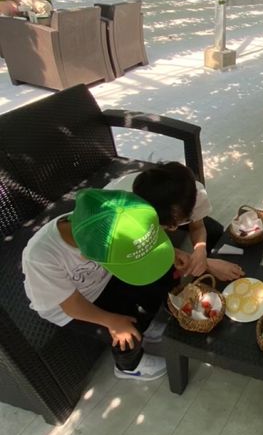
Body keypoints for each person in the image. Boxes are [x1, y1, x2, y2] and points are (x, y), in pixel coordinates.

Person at [22, 188, 177, 381]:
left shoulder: (100, 221)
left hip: (101, 279)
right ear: (86, 255)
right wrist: (112, 321)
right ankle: (129, 365)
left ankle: (144, 327)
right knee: (125, 331)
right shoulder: (40, 257)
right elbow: (72, 305)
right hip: (69, 305)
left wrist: (173, 254)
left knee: (149, 292)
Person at [106, 161, 244, 281]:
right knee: (162, 276)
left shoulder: (193, 193)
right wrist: (206, 264)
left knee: (214, 231)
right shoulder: (126, 215)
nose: (173, 230)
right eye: (168, 225)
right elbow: (147, 249)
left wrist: (200, 251)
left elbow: (197, 226)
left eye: (180, 220)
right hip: (123, 232)